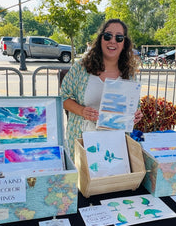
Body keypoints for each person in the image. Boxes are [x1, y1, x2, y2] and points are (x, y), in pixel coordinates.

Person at [60, 19, 143, 158]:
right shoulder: (81, 68)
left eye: (119, 38)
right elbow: (63, 98)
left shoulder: (128, 74)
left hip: (114, 143)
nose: (113, 41)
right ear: (101, 39)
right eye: (108, 36)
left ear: (124, 43)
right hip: (83, 139)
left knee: (110, 179)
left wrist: (135, 114)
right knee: (85, 178)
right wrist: (82, 111)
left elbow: (134, 104)